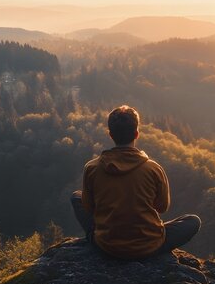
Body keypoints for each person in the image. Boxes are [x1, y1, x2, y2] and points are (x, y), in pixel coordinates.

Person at [71, 105, 201, 259]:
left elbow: (88, 207)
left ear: (110, 134)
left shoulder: (92, 167)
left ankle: (101, 237)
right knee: (193, 221)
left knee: (76, 197)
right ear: (137, 134)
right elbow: (162, 207)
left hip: (107, 246)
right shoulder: (153, 168)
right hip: (149, 246)